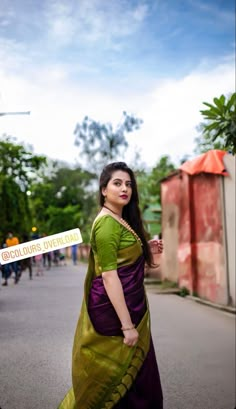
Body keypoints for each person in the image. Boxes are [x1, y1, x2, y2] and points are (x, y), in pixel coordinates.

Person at [58, 162, 163, 409]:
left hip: (127, 306)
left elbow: (127, 268)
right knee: (126, 383)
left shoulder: (119, 219)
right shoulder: (107, 223)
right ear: (104, 190)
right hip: (115, 313)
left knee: (136, 380)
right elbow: (110, 276)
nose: (124, 188)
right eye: (117, 183)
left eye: (128, 184)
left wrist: (145, 252)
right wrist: (127, 327)